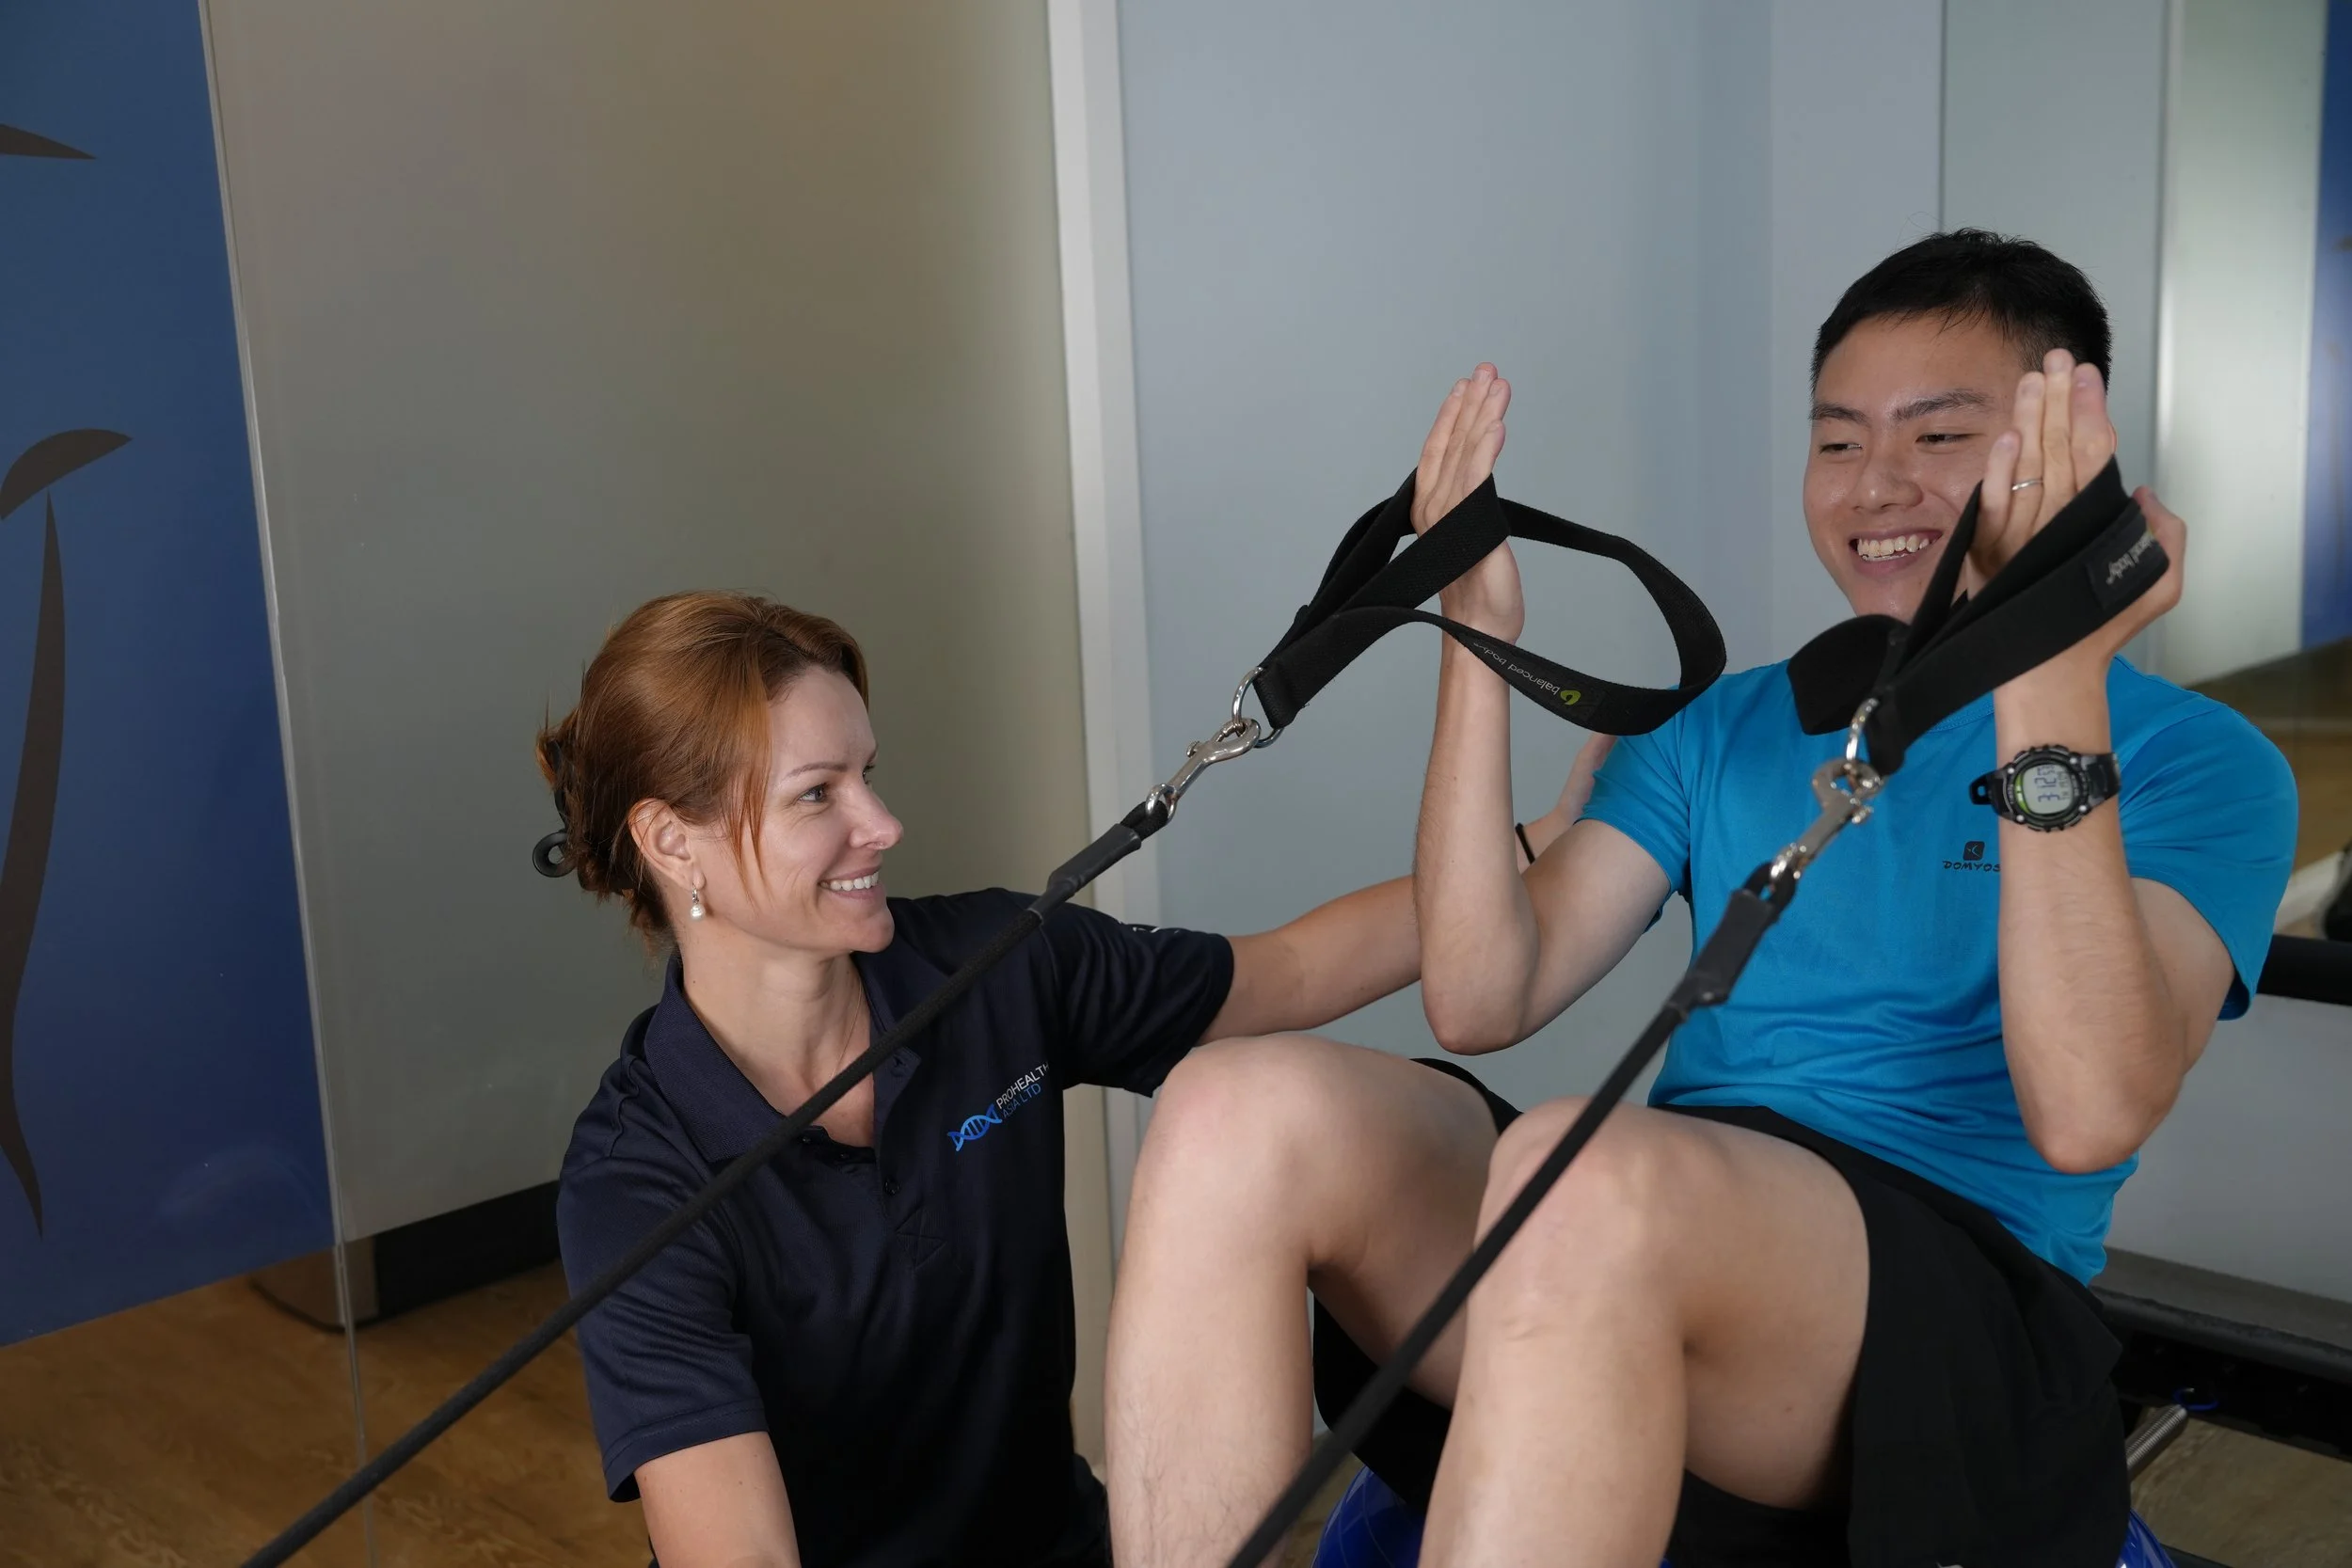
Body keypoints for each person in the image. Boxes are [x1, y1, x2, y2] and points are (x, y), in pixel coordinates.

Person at [1106, 231, 2299, 1567]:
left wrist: (2047, 659)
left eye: (1939, 434)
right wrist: (1474, 633)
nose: (1878, 485)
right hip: (1646, 1228)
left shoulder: (2202, 761)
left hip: (1953, 1308)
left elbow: (2087, 1112)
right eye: (1839, 441)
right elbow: (1485, 988)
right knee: (1231, 1105)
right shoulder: (1726, 728)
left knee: (1585, 1169)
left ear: (2063, 443)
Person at [542, 590, 1597, 1568]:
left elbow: (1293, 967)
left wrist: (1547, 844)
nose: (882, 823)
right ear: (670, 841)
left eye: (869, 772)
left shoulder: (994, 965)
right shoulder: (635, 1178)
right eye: (819, 792)